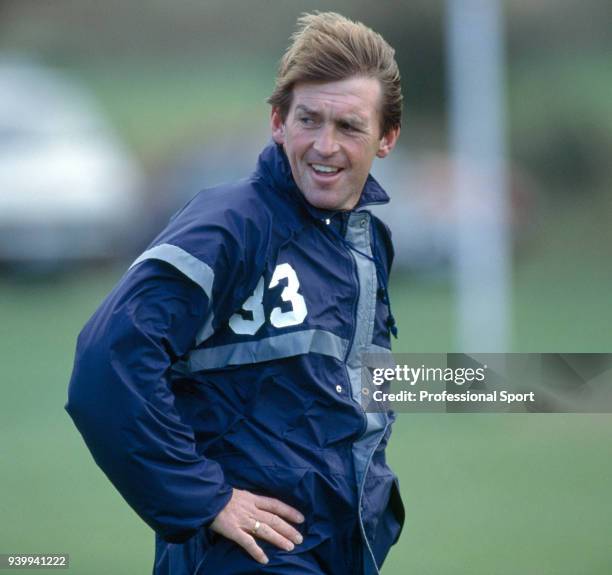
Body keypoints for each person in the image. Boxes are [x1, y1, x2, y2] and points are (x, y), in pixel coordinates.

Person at [66, 11, 404, 575]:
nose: (325, 146)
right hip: (249, 556)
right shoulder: (229, 226)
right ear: (277, 121)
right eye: (308, 120)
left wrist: (531, 384)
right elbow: (108, 363)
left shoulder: (368, 242)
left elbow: (345, 380)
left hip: (336, 550)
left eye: (349, 126)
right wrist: (204, 497)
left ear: (387, 138)